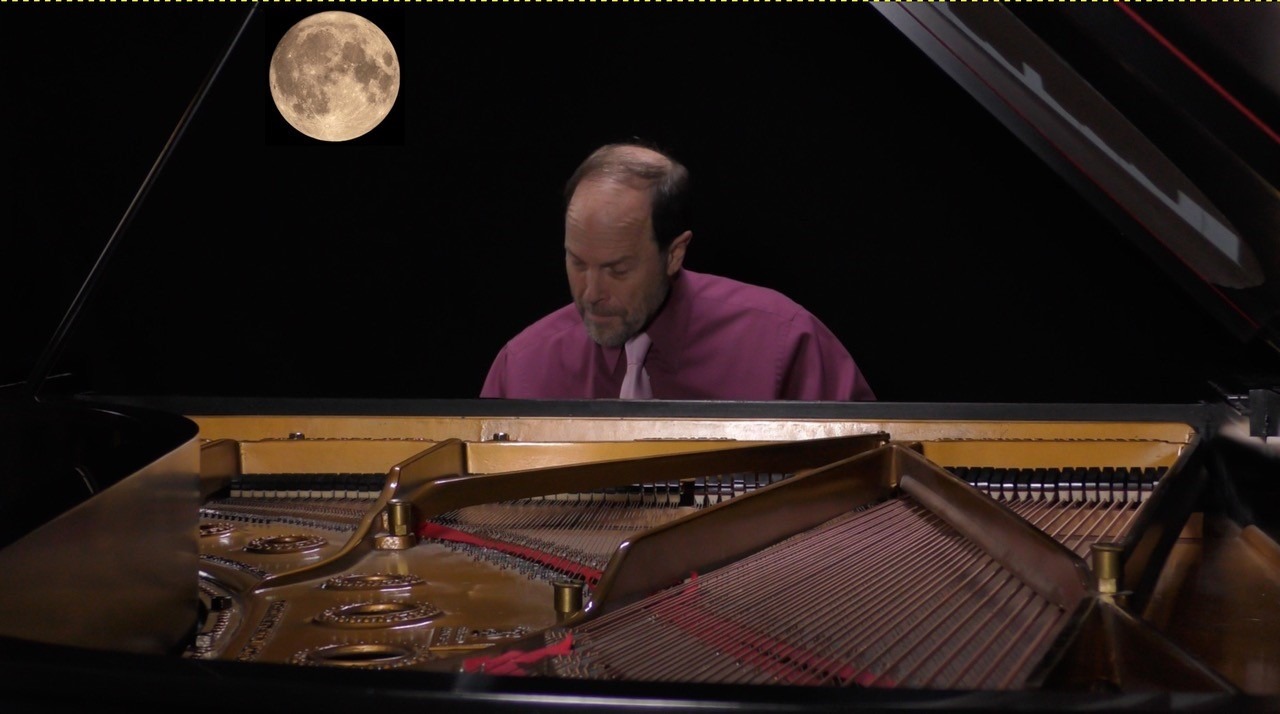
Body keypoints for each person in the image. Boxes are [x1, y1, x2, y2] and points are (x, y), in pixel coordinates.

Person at [480, 142, 875, 401]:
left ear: (674, 254)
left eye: (617, 269)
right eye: (577, 263)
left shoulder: (785, 342)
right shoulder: (521, 369)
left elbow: (870, 483)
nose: (591, 292)